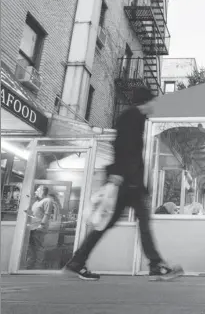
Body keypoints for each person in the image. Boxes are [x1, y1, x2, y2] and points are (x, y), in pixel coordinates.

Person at [64, 87, 183, 281]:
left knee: (109, 223)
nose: (155, 105)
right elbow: (122, 145)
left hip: (128, 182)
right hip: (127, 182)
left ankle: (77, 262)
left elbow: (129, 149)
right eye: (153, 101)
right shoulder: (131, 116)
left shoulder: (136, 118)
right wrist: (119, 174)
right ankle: (156, 265)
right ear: (146, 101)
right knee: (140, 224)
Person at [25, 185, 54, 269]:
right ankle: (29, 266)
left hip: (38, 228)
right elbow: (32, 214)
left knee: (38, 248)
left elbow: (47, 214)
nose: (35, 192)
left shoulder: (48, 200)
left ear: (42, 191)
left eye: (37, 191)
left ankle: (38, 267)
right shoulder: (36, 202)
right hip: (31, 227)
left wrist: (41, 225)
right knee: (31, 248)